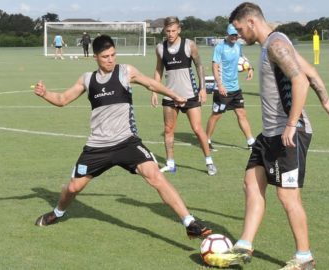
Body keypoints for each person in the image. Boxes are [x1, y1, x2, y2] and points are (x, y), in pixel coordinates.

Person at [33, 35, 212, 240]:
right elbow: (63, 99)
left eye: (113, 55)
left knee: (155, 175)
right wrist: (45, 93)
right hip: (97, 147)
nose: (111, 60)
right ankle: (57, 213)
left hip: (127, 142)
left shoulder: (126, 71)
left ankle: (189, 222)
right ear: (95, 57)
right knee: (73, 187)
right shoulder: (87, 79)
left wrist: (174, 95)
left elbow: (151, 84)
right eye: (105, 56)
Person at [219, 3, 329, 269]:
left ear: (252, 22)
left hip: (287, 133)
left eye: (240, 29)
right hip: (269, 133)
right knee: (252, 183)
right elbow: (311, 73)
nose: (240, 35)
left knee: (287, 196)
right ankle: (244, 246)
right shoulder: (276, 43)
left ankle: (304, 258)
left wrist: (292, 124)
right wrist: (327, 103)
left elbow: (300, 80)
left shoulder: (276, 44)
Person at [151, 16, 217, 176]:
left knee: (197, 128)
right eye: (168, 31)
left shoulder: (189, 45)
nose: (171, 34)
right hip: (170, 96)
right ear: (164, 30)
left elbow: (199, 65)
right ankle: (170, 163)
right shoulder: (160, 48)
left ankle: (209, 161)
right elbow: (159, 69)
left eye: (173, 31)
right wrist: (154, 90)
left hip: (190, 96)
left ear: (179, 29)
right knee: (168, 129)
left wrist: (202, 88)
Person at [206, 24, 255, 152]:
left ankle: (251, 142)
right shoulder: (220, 47)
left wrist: (250, 67)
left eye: (236, 35)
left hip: (235, 88)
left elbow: (242, 59)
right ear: (227, 34)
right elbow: (214, 66)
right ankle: (206, 140)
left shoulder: (238, 46)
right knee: (216, 115)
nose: (235, 37)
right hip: (222, 89)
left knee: (241, 114)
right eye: (233, 35)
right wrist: (220, 85)